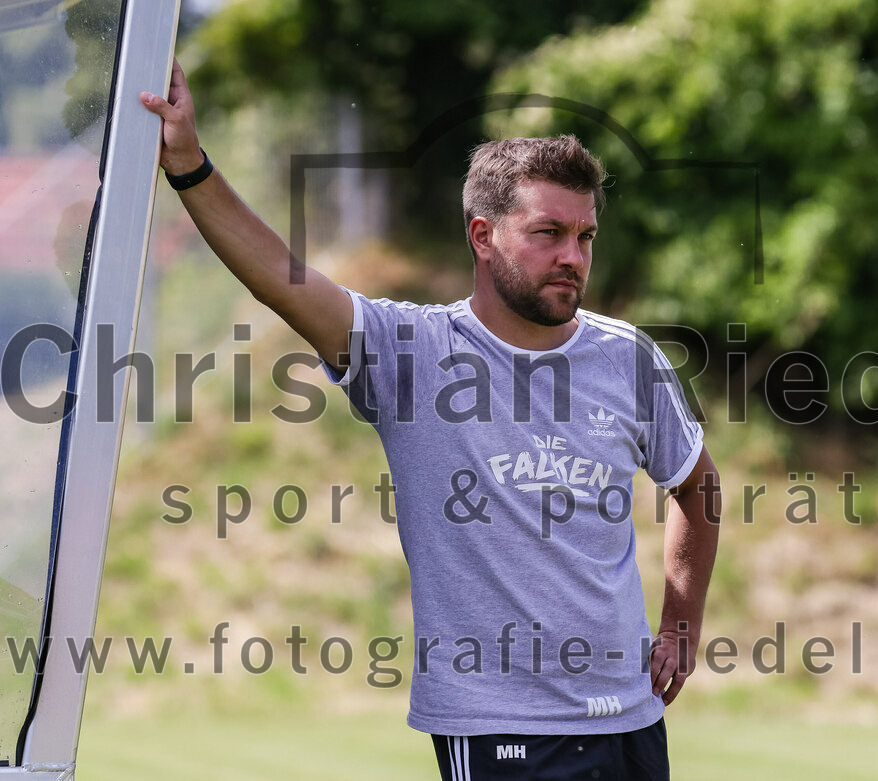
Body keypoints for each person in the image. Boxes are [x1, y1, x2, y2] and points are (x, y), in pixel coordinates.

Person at [141, 59, 720, 781]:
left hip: (631, 720)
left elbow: (697, 486)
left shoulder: (629, 357)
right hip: (498, 728)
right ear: (483, 235)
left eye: (585, 236)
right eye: (547, 233)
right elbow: (281, 279)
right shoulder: (410, 351)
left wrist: (680, 624)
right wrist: (190, 165)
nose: (572, 257)